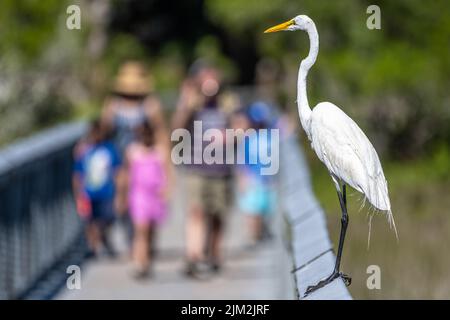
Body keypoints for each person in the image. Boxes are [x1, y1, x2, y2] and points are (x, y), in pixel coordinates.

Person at [172, 60, 234, 276]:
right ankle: (194, 256)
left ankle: (213, 254)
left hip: (221, 169)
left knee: (217, 214)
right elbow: (177, 129)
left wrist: (230, 135)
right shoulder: (192, 102)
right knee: (196, 211)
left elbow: (241, 125)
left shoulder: (227, 102)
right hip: (196, 168)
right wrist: (187, 101)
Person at [101, 61, 170, 248]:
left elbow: (160, 133)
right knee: (122, 200)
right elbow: (104, 130)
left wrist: (165, 163)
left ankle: (146, 240)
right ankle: (130, 236)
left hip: (145, 161)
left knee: (147, 200)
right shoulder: (113, 105)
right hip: (119, 160)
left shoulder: (150, 105)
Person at [123, 121, 170, 279]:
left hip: (155, 195)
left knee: (151, 230)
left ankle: (148, 259)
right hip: (139, 195)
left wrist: (165, 190)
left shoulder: (159, 151)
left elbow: (166, 173)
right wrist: (122, 195)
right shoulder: (132, 151)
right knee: (140, 230)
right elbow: (127, 175)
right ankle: (139, 262)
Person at [73, 119, 121, 257]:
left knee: (106, 219)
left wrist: (120, 193)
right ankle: (92, 247)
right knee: (90, 221)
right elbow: (78, 174)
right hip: (88, 193)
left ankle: (103, 238)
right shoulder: (84, 151)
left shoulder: (109, 148)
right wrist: (78, 193)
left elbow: (117, 171)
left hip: (106, 192)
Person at [234, 102, 277, 245]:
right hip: (252, 178)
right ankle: (253, 235)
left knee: (264, 208)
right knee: (252, 209)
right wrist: (242, 178)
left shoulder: (270, 136)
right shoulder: (248, 138)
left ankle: (261, 232)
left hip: (266, 179)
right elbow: (243, 161)